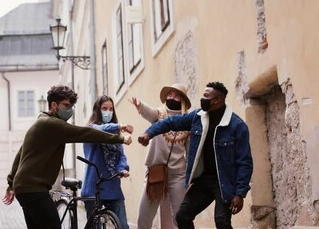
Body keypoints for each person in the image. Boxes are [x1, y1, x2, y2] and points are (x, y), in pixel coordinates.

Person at [2, 85, 132, 229]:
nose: (69, 109)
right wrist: (120, 139)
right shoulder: (51, 124)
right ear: (54, 105)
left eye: (71, 106)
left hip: (25, 189)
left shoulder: (41, 123)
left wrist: (11, 184)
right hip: (34, 189)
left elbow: (20, 154)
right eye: (66, 105)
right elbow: (86, 133)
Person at [138, 82, 253, 229]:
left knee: (222, 221)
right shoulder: (198, 117)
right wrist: (149, 133)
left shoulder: (237, 126)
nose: (202, 99)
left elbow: (245, 162)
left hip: (225, 181)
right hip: (204, 180)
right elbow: (171, 122)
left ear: (217, 100)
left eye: (206, 96)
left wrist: (240, 194)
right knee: (182, 216)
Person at [131, 84, 191, 229]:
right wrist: (140, 105)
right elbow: (149, 112)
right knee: (144, 217)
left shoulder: (188, 122)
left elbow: (190, 152)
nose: (172, 98)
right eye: (169, 95)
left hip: (178, 175)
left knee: (180, 217)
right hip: (155, 173)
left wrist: (191, 176)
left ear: (182, 100)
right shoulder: (159, 115)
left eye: (176, 96)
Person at [82, 95, 133, 229]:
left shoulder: (115, 135)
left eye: (111, 109)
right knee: (95, 226)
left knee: (123, 226)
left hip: (113, 186)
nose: (108, 112)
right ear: (97, 110)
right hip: (94, 188)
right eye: (104, 108)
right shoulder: (90, 129)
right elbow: (100, 130)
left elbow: (121, 155)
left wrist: (122, 169)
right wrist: (120, 126)